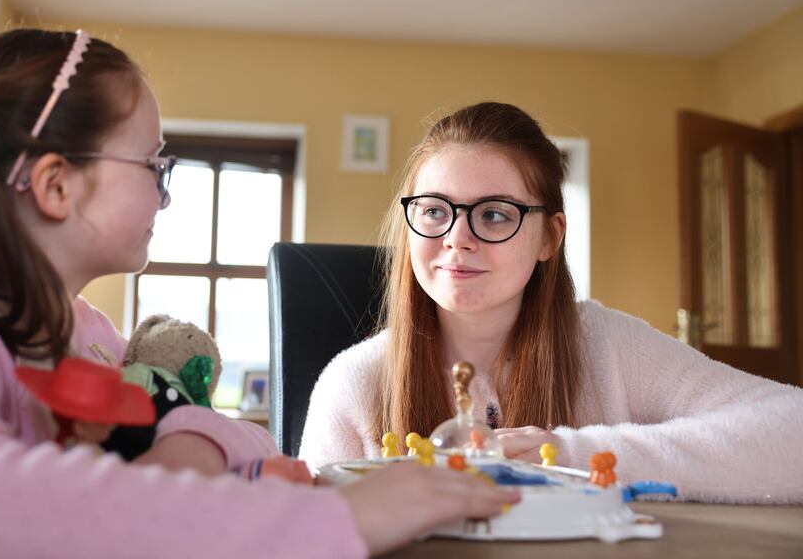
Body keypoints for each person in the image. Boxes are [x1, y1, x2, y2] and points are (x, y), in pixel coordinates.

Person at [0, 30, 519, 559]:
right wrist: (346, 517)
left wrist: (186, 439)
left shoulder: (86, 334)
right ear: (56, 186)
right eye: (153, 166)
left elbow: (236, 437)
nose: (166, 193)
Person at [298, 101, 803, 503]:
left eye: (495, 214)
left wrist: (571, 455)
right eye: (434, 211)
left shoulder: (607, 346)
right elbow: (308, 549)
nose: (457, 237)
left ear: (549, 237)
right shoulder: (354, 384)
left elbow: (792, 428)